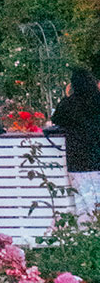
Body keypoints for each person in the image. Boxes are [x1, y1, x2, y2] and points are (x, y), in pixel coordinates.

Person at [51, 67, 100, 222]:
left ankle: (87, 235)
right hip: (97, 157)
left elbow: (56, 120)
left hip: (78, 159)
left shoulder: (68, 104)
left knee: (84, 205)